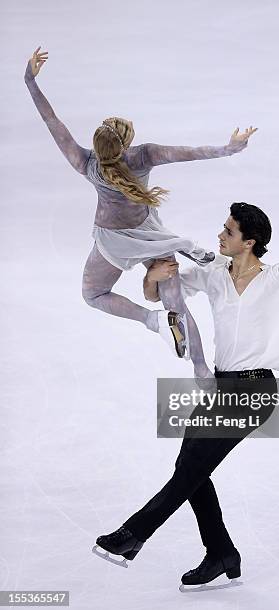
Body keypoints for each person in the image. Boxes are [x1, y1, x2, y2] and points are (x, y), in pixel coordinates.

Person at [93, 201, 279, 586]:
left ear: (249, 242)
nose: (220, 235)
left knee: (190, 470)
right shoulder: (215, 273)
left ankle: (133, 534)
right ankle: (221, 553)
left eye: (229, 231)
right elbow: (159, 296)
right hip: (220, 386)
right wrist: (153, 276)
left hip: (255, 389)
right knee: (190, 469)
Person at [24, 46, 257, 377]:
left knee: (94, 294)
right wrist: (229, 149)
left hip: (115, 242)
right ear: (125, 145)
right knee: (176, 302)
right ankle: (202, 367)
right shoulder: (143, 156)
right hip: (152, 235)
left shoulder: (86, 162)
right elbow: (189, 153)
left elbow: (52, 120)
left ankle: (151, 320)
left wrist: (29, 80)